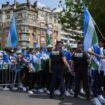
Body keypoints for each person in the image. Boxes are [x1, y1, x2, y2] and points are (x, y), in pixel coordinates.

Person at [88, 38, 105, 105]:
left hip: (101, 68)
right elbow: (88, 51)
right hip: (95, 68)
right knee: (95, 83)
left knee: (100, 83)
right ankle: (95, 97)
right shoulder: (94, 46)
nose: (103, 45)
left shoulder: (102, 48)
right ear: (100, 42)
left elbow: (103, 56)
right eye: (103, 43)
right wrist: (98, 55)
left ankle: (99, 95)